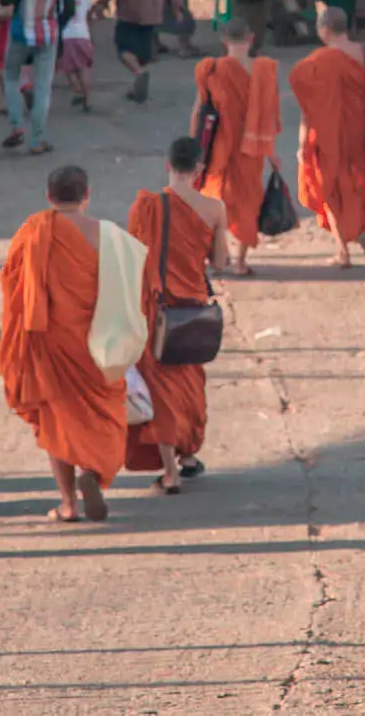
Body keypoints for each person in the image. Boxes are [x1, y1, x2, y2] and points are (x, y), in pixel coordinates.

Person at [0, 166, 133, 523]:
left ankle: (68, 503)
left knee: (56, 418)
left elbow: (14, 288)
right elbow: (128, 293)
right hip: (97, 344)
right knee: (103, 412)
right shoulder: (108, 235)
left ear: (49, 197)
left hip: (50, 343)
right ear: (87, 195)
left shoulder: (32, 233)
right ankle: (94, 471)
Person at [125, 138, 228, 493]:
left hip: (156, 310)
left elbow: (133, 258)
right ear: (199, 169)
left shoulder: (145, 207)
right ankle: (183, 459)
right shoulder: (214, 208)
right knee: (188, 385)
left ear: (167, 165)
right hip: (192, 310)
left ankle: (173, 471)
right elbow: (219, 262)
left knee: (161, 388)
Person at [290, 8, 365, 271]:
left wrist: (302, 144)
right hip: (363, 132)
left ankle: (343, 250)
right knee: (364, 184)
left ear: (324, 30)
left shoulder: (316, 63)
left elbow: (308, 111)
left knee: (331, 191)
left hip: (327, 136)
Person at [191, 19, 281, 276]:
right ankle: (240, 263)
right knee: (248, 203)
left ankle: (220, 257)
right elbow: (269, 116)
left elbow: (199, 111)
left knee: (216, 201)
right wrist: (272, 153)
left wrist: (195, 149)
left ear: (224, 41)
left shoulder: (211, 70)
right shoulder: (264, 70)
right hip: (252, 150)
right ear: (251, 38)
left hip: (219, 149)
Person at [0, 0, 73, 155]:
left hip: (19, 32)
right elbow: (69, 7)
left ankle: (17, 125)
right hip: (47, 34)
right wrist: (55, 24)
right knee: (43, 87)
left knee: (11, 77)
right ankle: (37, 139)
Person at [58, 0, 95, 112]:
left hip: (66, 35)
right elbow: (89, 16)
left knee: (68, 68)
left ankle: (76, 87)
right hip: (83, 35)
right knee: (84, 68)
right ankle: (88, 99)